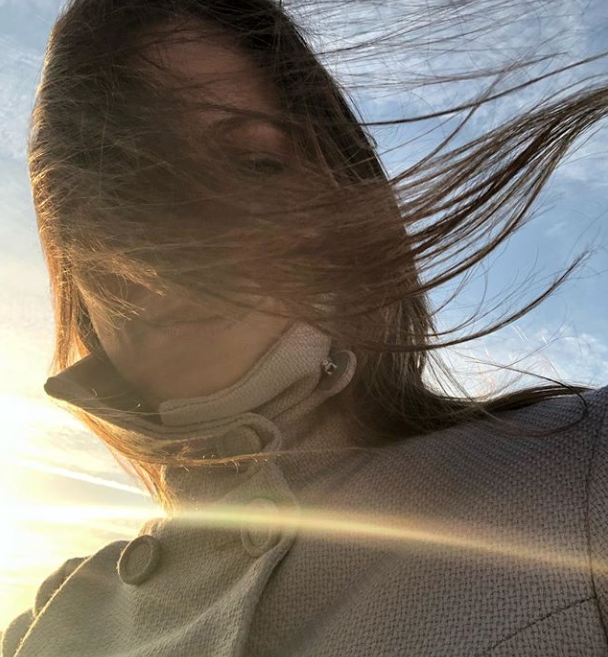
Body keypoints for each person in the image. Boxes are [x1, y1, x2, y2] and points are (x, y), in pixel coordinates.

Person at [3, 0, 608, 655]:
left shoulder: (580, 471)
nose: (178, 224)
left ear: (340, 203)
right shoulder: (53, 620)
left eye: (254, 160)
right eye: (116, 180)